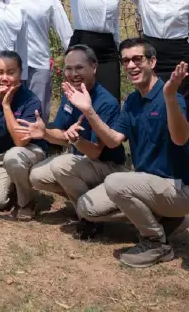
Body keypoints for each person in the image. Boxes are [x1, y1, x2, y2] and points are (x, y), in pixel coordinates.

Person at [72, 38, 189, 268]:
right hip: (147, 185)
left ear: (152, 61)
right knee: (86, 207)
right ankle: (165, 220)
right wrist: (89, 111)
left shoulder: (170, 96)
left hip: (178, 188)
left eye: (137, 59)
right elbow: (112, 141)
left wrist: (170, 97)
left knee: (115, 182)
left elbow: (180, 138)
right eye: (125, 61)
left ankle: (155, 242)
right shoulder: (132, 101)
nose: (131, 65)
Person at [26, 44, 128, 240]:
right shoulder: (70, 94)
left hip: (107, 166)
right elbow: (62, 131)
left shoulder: (106, 102)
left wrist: (77, 140)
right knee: (37, 176)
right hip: (82, 163)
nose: (73, 74)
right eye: (69, 68)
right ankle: (87, 202)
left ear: (94, 67)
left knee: (61, 165)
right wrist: (44, 132)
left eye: (79, 68)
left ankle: (91, 218)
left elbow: (96, 152)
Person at [0, 50, 50, 221]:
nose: (4, 78)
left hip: (27, 152)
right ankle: (13, 184)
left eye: (11, 72)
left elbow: (20, 142)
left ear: (21, 74)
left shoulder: (30, 101)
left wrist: (6, 106)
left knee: (14, 156)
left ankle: (26, 202)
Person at [5, 0, 71, 113]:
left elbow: (64, 29)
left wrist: (73, 56)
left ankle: (39, 139)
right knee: (9, 108)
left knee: (38, 110)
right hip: (10, 61)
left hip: (38, 61)